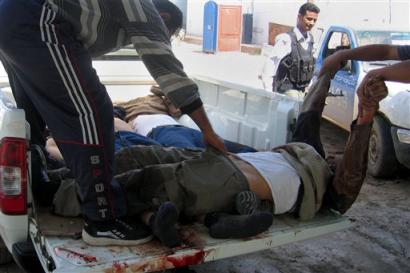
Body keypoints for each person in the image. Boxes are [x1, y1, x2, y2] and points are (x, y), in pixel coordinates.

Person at [0, 0, 227, 246]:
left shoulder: (102, 12)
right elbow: (167, 69)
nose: (165, 37)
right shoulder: (146, 12)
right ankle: (101, 221)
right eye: (168, 33)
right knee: (94, 113)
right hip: (32, 17)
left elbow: (72, 62)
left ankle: (38, 180)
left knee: (32, 111)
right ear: (164, 17)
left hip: (12, 17)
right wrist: (207, 130)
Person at [112, 72, 388, 247]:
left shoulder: (316, 173)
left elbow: (349, 174)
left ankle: (167, 217)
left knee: (159, 173)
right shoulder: (305, 156)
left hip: (218, 157)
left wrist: (363, 115)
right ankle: (215, 217)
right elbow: (310, 114)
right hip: (241, 164)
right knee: (154, 162)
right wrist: (330, 69)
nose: (337, 158)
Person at [259, 2, 320, 96]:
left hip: (303, 90)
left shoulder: (311, 40)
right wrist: (269, 93)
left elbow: (311, 67)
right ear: (299, 17)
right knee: (294, 99)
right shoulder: (286, 40)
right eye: (309, 19)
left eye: (314, 20)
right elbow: (270, 65)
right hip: (286, 91)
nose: (312, 23)